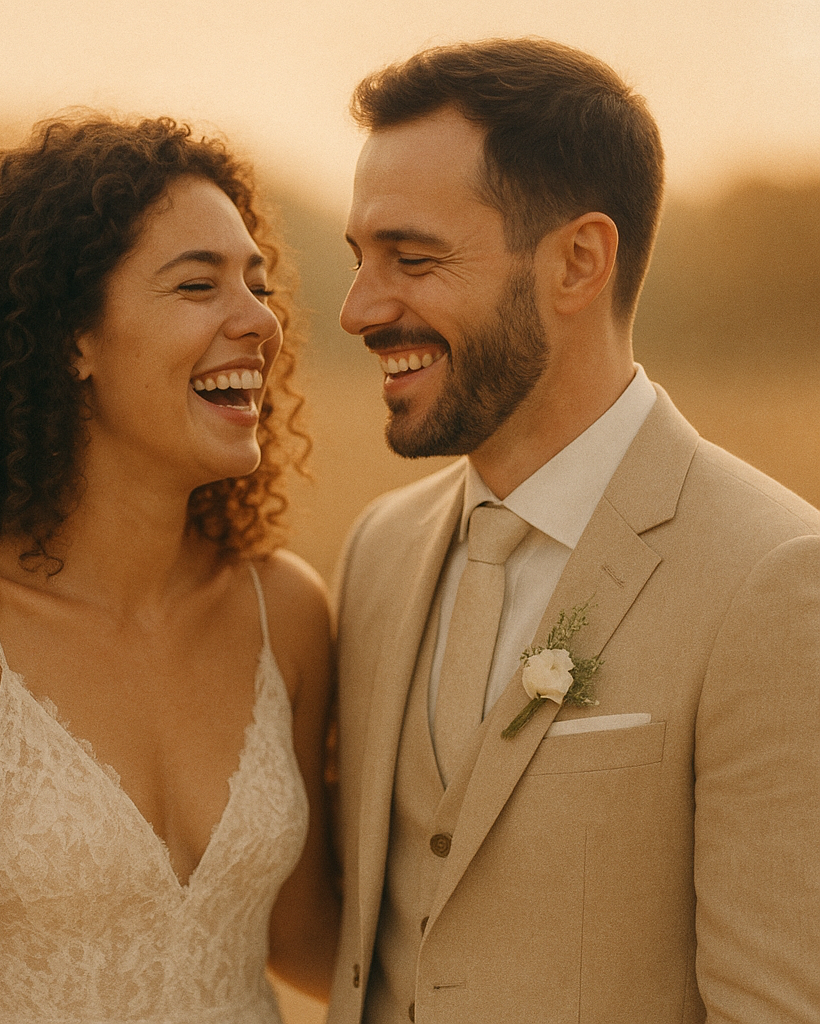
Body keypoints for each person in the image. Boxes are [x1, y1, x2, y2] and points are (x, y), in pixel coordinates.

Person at [328, 38, 820, 1024]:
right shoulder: (378, 549)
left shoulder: (774, 577)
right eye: (359, 260)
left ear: (578, 261)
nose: (358, 309)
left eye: (412, 259)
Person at [0, 113, 338, 1024]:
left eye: (257, 285)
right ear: (73, 338)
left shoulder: (283, 611)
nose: (260, 319)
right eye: (198, 285)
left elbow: (310, 940)